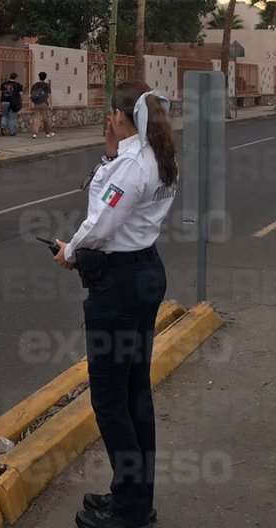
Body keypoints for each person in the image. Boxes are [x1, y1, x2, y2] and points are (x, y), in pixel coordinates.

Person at [53, 80, 177, 528]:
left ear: (123, 117)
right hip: (145, 274)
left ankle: (129, 512)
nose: (108, 120)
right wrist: (111, 152)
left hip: (120, 285)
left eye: (112, 114)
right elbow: (112, 202)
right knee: (134, 394)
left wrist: (69, 252)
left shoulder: (132, 165)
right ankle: (134, 499)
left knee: (110, 401)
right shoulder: (154, 157)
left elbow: (101, 221)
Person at [31, 71, 55, 139]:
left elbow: (31, 94)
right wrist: (50, 104)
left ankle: (35, 133)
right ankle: (47, 133)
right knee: (46, 118)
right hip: (44, 103)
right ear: (45, 77)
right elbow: (49, 95)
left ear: (39, 77)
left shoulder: (35, 85)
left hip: (36, 103)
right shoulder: (46, 85)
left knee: (36, 118)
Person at [0, 72, 23, 136]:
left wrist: (0, 102)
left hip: (4, 101)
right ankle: (11, 132)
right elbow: (21, 95)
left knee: (4, 115)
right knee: (11, 117)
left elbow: (0, 93)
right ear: (16, 78)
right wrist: (20, 102)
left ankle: (2, 126)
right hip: (13, 102)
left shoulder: (4, 84)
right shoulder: (18, 85)